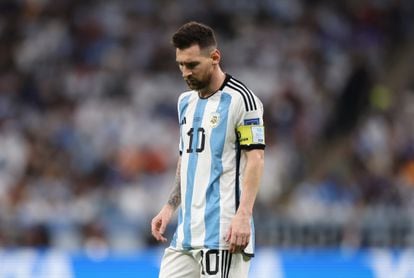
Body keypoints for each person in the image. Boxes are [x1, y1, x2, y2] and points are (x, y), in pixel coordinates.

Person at [151, 21, 265, 278]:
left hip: (223, 234)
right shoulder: (185, 102)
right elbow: (187, 157)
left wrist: (243, 215)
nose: (185, 72)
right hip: (186, 234)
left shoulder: (242, 100)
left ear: (215, 57)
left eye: (192, 65)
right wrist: (170, 206)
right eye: (181, 64)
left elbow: (256, 159)